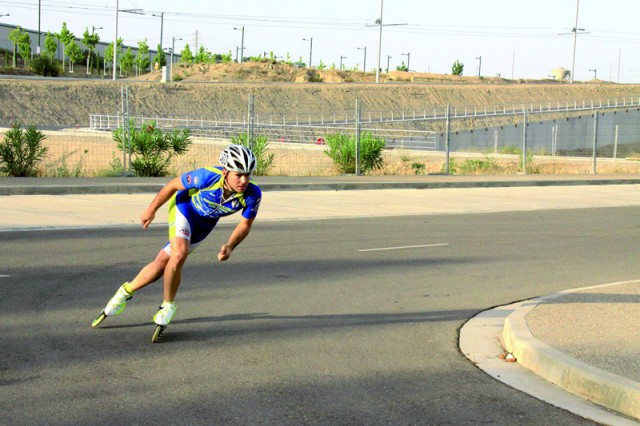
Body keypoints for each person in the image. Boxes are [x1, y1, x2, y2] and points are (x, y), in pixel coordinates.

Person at [92, 144, 262, 330]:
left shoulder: (253, 194)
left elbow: (245, 225)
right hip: (184, 208)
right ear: (225, 172)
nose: (244, 180)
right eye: (239, 174)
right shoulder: (206, 176)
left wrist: (230, 246)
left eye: (248, 174)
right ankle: (168, 305)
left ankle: (124, 292)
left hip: (205, 224)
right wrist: (152, 209)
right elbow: (173, 185)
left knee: (161, 265)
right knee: (179, 254)